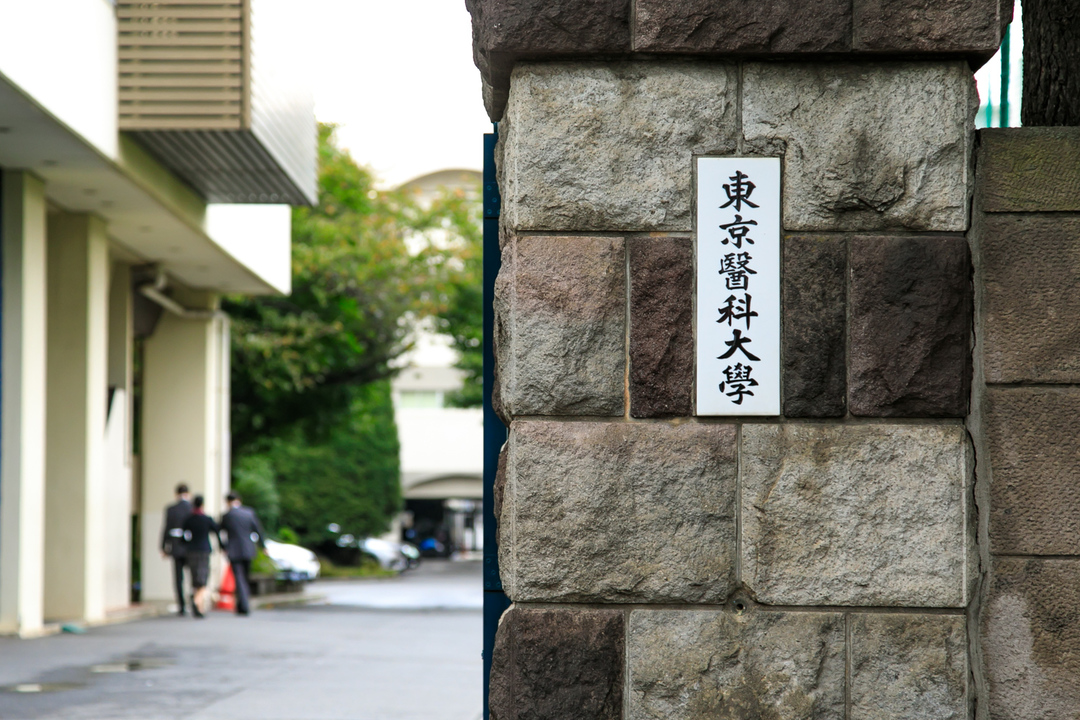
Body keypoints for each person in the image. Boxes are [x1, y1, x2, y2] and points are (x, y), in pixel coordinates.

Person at [219, 491, 266, 616]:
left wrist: (222, 546)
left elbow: (219, 532)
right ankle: (243, 604)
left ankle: (243, 605)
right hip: (248, 549)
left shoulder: (227, 515)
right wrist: (263, 546)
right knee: (245, 577)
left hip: (234, 550)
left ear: (228, 502)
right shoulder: (249, 513)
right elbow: (258, 530)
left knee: (239, 577)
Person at [180, 495, 222, 618]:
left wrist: (186, 544)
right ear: (203, 505)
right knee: (203, 577)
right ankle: (197, 601)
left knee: (194, 576)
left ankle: (199, 606)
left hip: (191, 551)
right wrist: (222, 546)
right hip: (204, 550)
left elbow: (183, 536)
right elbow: (217, 531)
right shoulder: (207, 519)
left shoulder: (189, 519)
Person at [161, 483, 192, 615]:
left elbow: (166, 528)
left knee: (178, 577)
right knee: (193, 575)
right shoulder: (192, 508)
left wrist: (163, 546)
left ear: (176, 494)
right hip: (190, 546)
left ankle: (181, 605)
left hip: (176, 545)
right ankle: (194, 601)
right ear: (188, 494)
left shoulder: (171, 509)